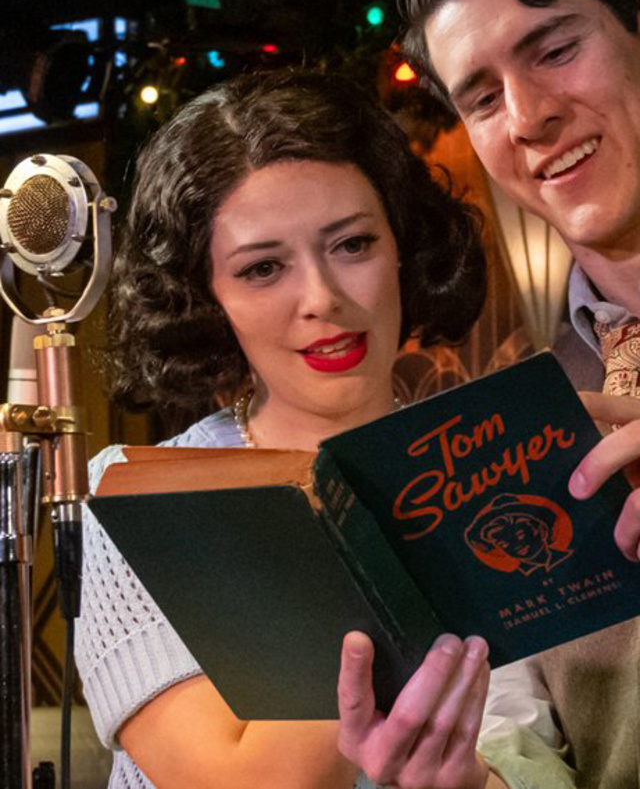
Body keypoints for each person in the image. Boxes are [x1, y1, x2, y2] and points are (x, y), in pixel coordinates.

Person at [76, 68, 512, 789]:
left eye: (352, 245)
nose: (322, 298)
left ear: (402, 245)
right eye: (263, 267)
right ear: (206, 298)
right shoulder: (147, 500)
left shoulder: (488, 464)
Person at [397, 0, 640, 789]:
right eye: (482, 96)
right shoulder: (523, 414)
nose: (528, 115)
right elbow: (535, 751)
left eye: (556, 50)